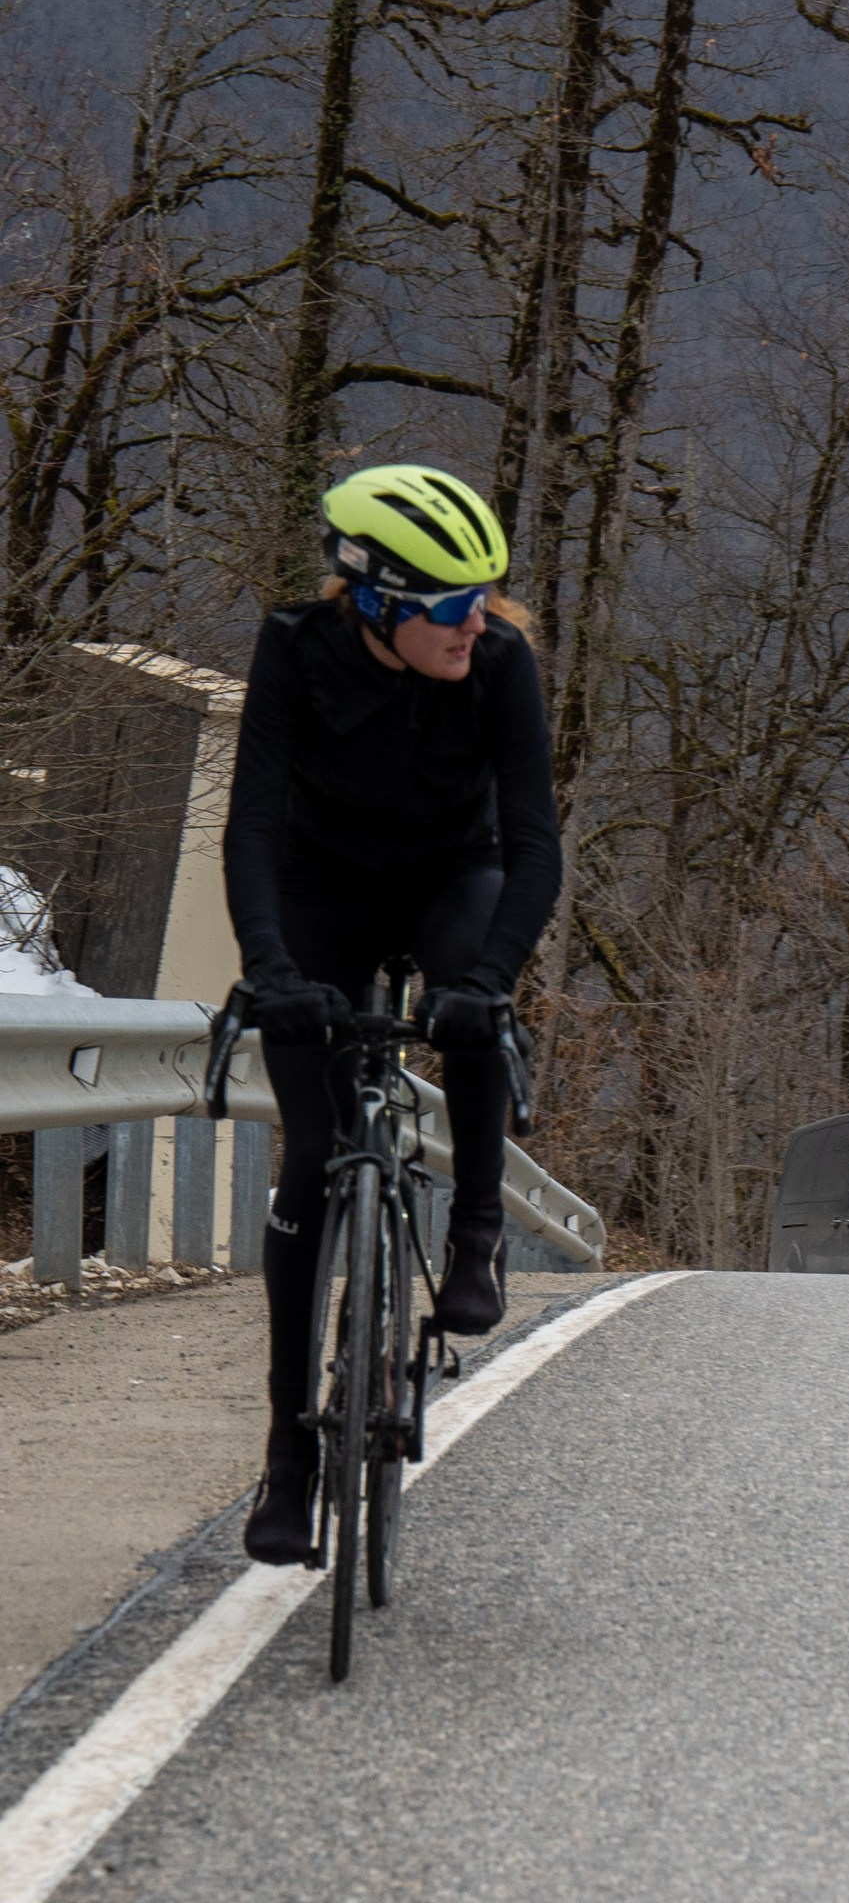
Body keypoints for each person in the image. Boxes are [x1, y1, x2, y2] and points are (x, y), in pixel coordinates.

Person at [222, 463, 561, 1566]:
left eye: (484, 598)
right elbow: (254, 825)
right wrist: (270, 966)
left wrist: (494, 980)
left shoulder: (498, 664)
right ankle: (288, 1455)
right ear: (375, 602)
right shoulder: (294, 649)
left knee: (467, 994)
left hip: (451, 876)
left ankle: (473, 1230)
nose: (477, 621)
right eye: (451, 605)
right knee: (311, 1157)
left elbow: (535, 844)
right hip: (321, 887)